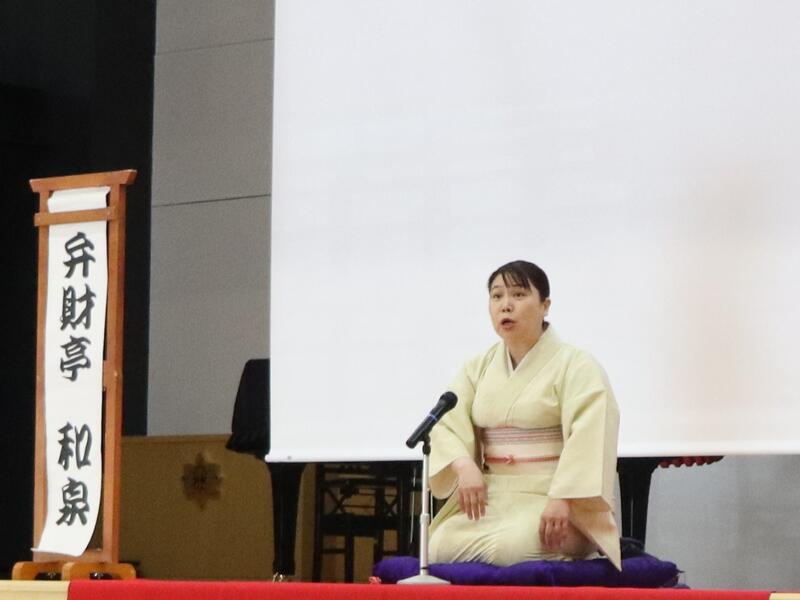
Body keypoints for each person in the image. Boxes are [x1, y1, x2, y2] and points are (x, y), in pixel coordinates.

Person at [427, 260, 621, 570]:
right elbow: (446, 422)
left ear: (545, 306)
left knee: (510, 549)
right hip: (494, 497)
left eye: (518, 295)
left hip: (556, 501)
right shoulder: (478, 367)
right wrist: (463, 465)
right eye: (497, 296)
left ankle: (571, 539)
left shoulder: (577, 364)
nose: (506, 305)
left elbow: (591, 434)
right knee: (439, 545)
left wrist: (563, 499)